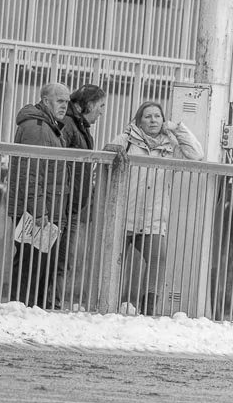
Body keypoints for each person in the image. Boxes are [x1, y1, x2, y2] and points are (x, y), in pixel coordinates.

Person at [111, 102, 204, 316]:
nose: (153, 120)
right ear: (138, 120)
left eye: (157, 116)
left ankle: (149, 309)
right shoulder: (124, 140)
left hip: (153, 217)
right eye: (148, 116)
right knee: (114, 261)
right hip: (123, 214)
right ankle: (107, 304)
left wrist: (177, 128)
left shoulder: (170, 145)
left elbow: (196, 154)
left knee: (157, 259)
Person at [8, 82, 70, 307]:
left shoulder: (47, 126)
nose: (65, 106)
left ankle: (27, 309)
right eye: (60, 101)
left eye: (67, 101)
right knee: (31, 265)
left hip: (44, 209)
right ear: (46, 101)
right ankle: (23, 309)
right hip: (37, 212)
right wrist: (39, 211)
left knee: (37, 265)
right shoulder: (38, 128)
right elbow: (31, 173)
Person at [55, 84, 107, 307]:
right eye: (101, 106)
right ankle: (50, 305)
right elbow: (59, 163)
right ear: (90, 104)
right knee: (59, 259)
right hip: (64, 204)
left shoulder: (78, 125)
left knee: (63, 259)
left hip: (71, 204)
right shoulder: (69, 124)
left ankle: (51, 303)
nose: (102, 112)